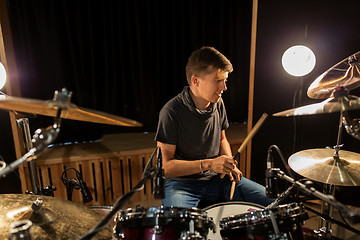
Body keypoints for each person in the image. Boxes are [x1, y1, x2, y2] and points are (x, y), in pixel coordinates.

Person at [154, 46, 272, 209]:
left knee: (273, 203)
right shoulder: (171, 111)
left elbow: (222, 138)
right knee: (181, 229)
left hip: (217, 179)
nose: (224, 87)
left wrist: (230, 164)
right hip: (181, 185)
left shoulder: (217, 102)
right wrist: (209, 164)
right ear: (195, 80)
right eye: (218, 81)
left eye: (225, 81)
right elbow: (164, 167)